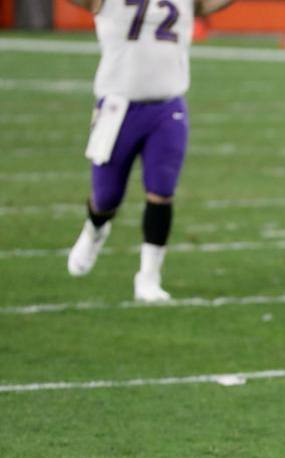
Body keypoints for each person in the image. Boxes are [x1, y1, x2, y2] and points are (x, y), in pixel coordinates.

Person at [65, 0, 236, 302]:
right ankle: (95, 229)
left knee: (161, 191)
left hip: (168, 106)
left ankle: (148, 277)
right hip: (117, 106)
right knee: (106, 197)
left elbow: (209, 5)